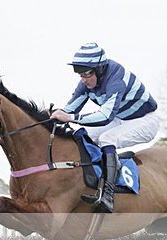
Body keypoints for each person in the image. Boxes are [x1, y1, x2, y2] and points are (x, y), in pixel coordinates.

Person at [51, 42, 159, 213]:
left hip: (145, 120)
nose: (83, 79)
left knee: (107, 138)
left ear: (100, 69)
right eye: (79, 74)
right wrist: (53, 115)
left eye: (87, 73)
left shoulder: (116, 79)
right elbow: (70, 109)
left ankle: (107, 195)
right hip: (120, 118)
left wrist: (70, 117)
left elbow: (105, 116)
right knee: (82, 134)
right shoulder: (86, 83)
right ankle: (90, 183)